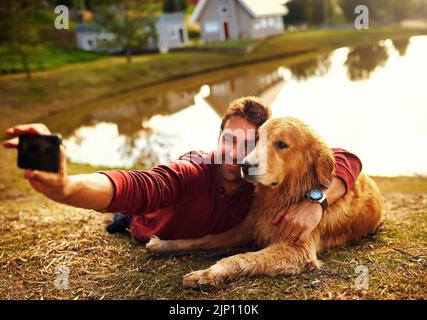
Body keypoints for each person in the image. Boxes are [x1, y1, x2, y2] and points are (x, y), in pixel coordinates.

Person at [3, 97, 362, 246]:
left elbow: (346, 157)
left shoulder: (260, 182)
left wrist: (317, 200)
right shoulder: (190, 173)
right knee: (130, 211)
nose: (236, 155)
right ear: (217, 138)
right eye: (228, 140)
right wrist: (66, 187)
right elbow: (137, 185)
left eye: (250, 145)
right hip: (143, 223)